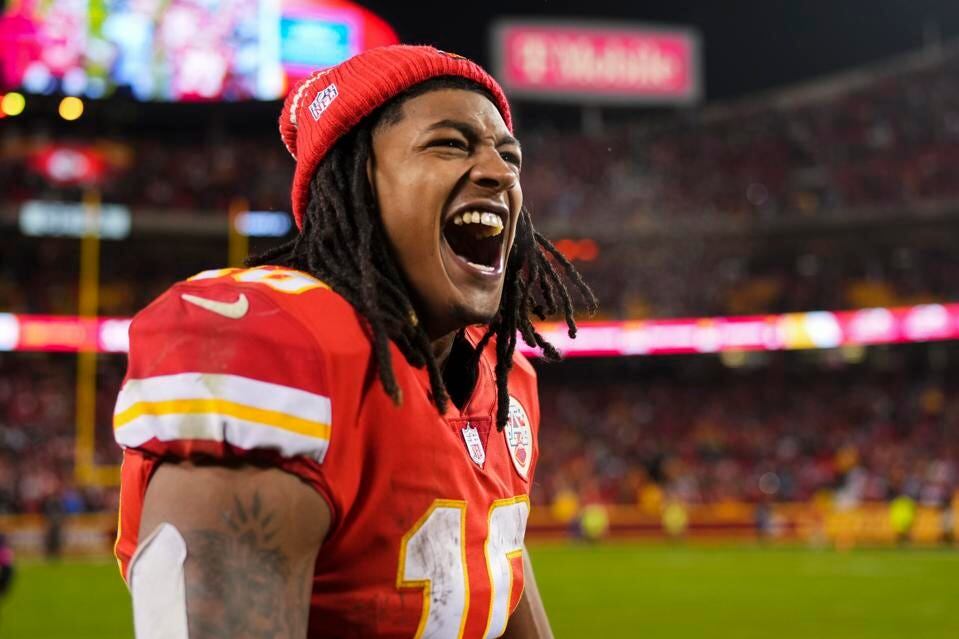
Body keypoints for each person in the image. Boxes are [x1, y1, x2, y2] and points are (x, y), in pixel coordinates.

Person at [112, 45, 595, 638]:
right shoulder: (285, 353)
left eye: (509, 154)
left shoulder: (503, 380)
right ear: (358, 183)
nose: (500, 172)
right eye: (450, 143)